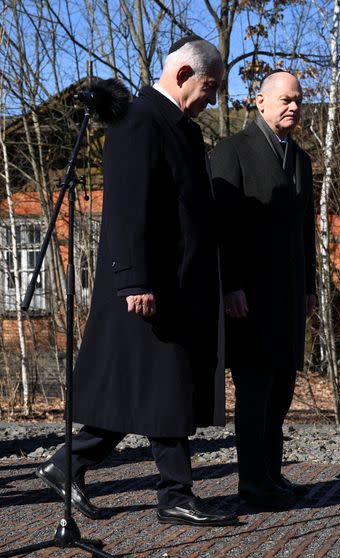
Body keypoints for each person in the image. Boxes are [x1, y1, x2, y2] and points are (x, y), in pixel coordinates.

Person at [36, 35, 237, 527]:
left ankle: (69, 464)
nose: (212, 100)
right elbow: (126, 210)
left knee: (146, 390)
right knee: (161, 388)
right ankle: (174, 494)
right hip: (147, 287)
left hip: (177, 286)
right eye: (210, 87)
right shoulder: (139, 122)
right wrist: (132, 282)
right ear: (185, 75)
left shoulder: (181, 129)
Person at [210, 71, 316, 508]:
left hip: (290, 298)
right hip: (249, 298)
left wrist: (310, 288)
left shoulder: (302, 160)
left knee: (282, 391)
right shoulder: (231, 152)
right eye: (285, 100)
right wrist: (230, 285)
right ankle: (252, 483)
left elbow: (306, 231)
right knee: (255, 392)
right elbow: (222, 228)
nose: (293, 107)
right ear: (260, 101)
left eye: (298, 101)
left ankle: (272, 475)